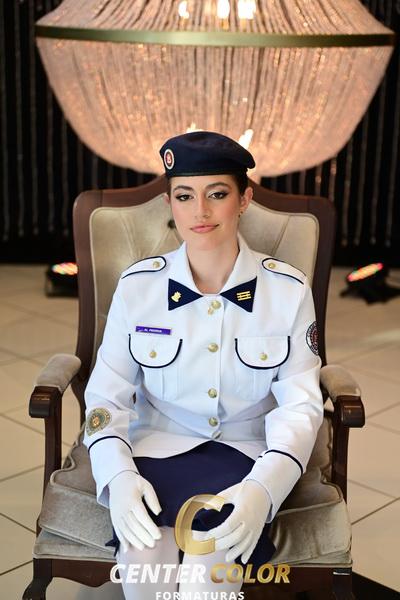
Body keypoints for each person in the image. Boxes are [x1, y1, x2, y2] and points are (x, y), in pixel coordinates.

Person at [83, 131, 324, 599]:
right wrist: (118, 474)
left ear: (244, 199)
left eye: (217, 194)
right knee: (143, 568)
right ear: (169, 203)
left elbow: (301, 406)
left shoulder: (288, 291)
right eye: (184, 196)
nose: (200, 212)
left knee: (204, 581)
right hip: (155, 452)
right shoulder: (138, 287)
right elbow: (105, 396)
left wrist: (264, 489)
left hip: (246, 458)